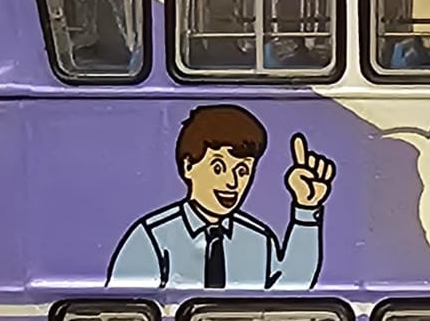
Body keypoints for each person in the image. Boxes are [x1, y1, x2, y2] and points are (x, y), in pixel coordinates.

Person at [107, 105, 334, 289]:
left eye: (242, 171)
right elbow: (124, 311)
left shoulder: (258, 238)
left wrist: (306, 207)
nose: (232, 183)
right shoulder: (152, 238)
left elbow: (292, 288)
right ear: (188, 166)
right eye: (218, 168)